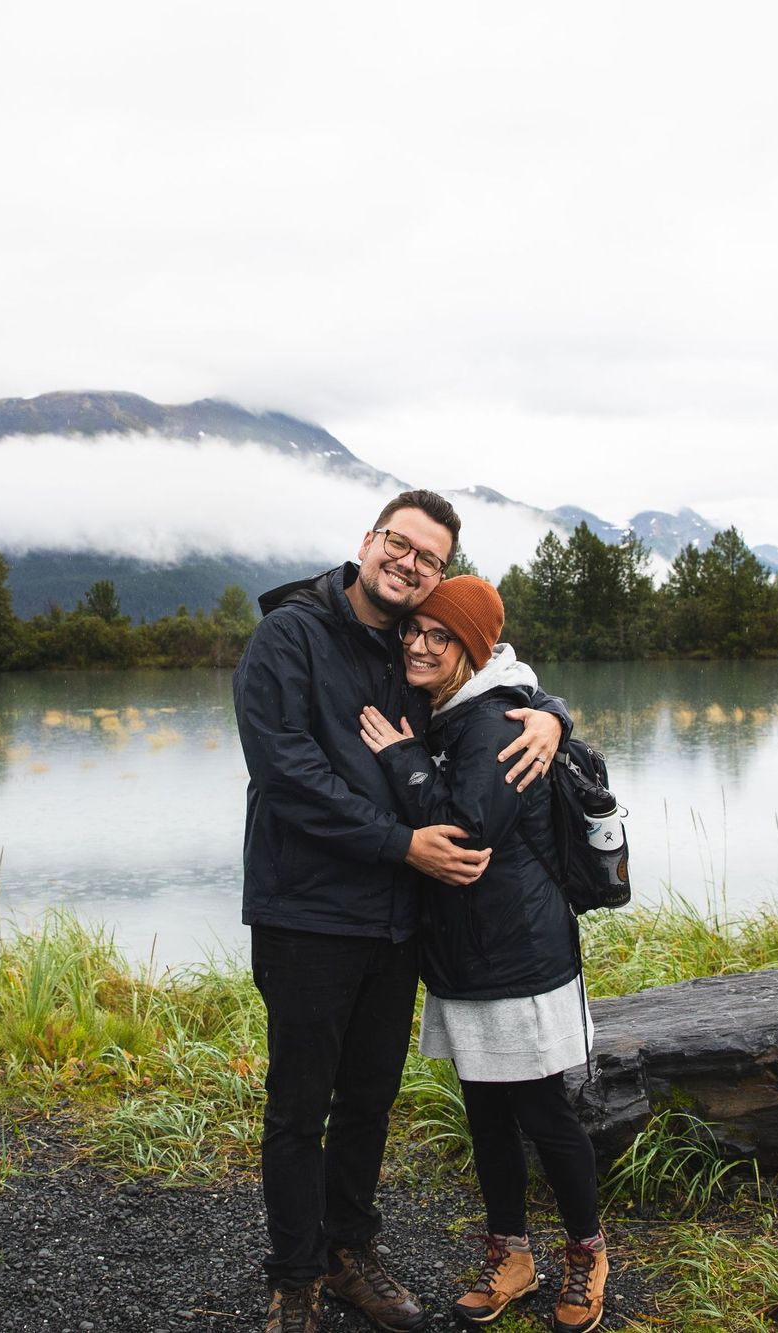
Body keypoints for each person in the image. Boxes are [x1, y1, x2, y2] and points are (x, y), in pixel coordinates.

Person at [233, 491, 570, 1333]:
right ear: (368, 542)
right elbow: (289, 774)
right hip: (307, 915)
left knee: (369, 1101)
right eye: (400, 544)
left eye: (429, 558)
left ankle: (350, 1254)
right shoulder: (290, 636)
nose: (410, 565)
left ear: (439, 573)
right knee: (298, 1106)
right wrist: (403, 845)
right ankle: (294, 1283)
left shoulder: (411, 644)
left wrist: (555, 718)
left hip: (394, 923)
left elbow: (495, 681)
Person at [358, 576, 609, 1332]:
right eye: (414, 630)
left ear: (472, 649)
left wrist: (403, 758)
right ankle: (514, 1256)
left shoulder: (496, 723)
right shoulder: (455, 713)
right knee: (486, 1113)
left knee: (541, 1110)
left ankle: (587, 1254)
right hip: (468, 952)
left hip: (519, 954)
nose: (419, 644)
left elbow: (465, 835)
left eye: (441, 635)